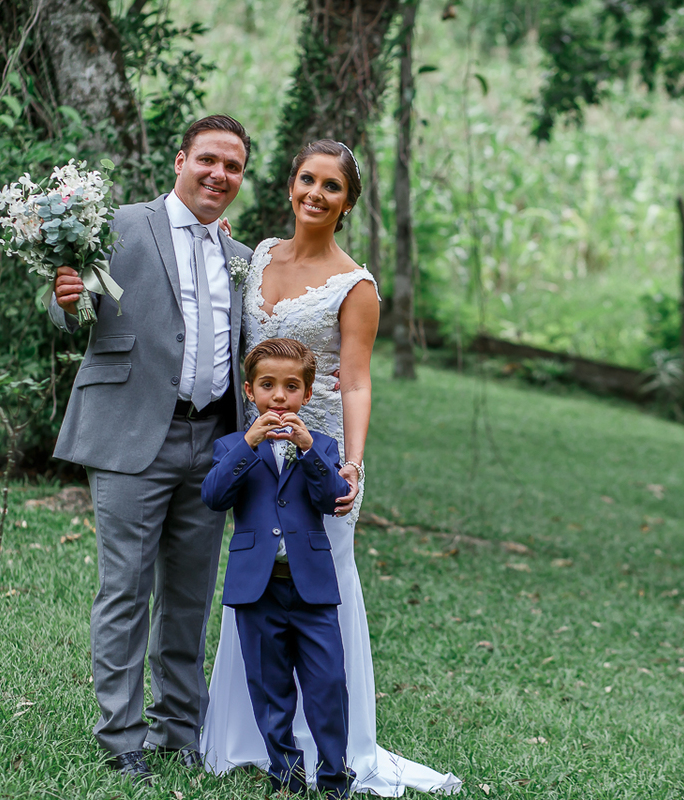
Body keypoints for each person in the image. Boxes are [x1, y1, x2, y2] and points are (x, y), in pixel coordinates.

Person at [200, 140, 461, 794]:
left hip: (321, 461)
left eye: (332, 187)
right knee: (254, 578)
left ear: (347, 203)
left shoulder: (355, 285)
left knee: (320, 591)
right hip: (257, 451)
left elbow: (357, 381)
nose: (315, 194)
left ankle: (331, 749)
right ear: (291, 185)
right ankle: (244, 738)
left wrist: (353, 460)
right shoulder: (255, 256)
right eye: (306, 180)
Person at [49, 115, 254, 784]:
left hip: (213, 440)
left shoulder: (241, 257)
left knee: (190, 598)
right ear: (180, 160)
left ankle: (178, 730)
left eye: (233, 167)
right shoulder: (120, 225)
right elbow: (66, 306)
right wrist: (64, 296)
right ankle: (120, 735)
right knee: (126, 590)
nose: (219, 175)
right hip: (133, 432)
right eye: (209, 160)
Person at [202, 338, 355, 799]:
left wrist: (309, 452)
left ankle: (333, 779)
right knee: (270, 690)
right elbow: (213, 496)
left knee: (328, 686)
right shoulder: (232, 446)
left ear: (307, 395)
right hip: (258, 590)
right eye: (267, 385)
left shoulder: (323, 446)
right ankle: (285, 775)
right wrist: (248, 444)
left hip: (311, 590)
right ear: (250, 391)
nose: (279, 396)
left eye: (291, 387)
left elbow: (333, 500)